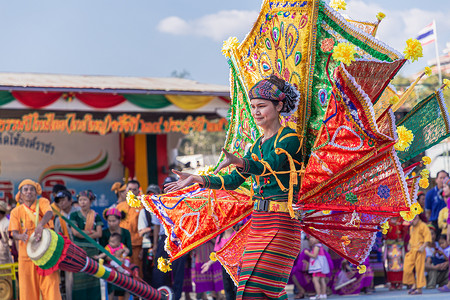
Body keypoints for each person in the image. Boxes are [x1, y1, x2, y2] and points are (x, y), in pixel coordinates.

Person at [165, 75, 303, 299]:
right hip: (259, 223)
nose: (256, 112)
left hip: (281, 223)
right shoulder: (257, 144)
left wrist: (240, 162)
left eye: (262, 106)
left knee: (254, 288)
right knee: (258, 290)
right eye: (254, 107)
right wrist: (196, 178)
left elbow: (270, 166)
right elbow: (232, 181)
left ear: (279, 106)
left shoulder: (289, 138)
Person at [8, 179, 61, 300]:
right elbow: (14, 233)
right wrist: (21, 236)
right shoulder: (16, 211)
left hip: (46, 254)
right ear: (21, 194)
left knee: (50, 286)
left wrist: (41, 225)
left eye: (31, 189)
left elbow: (49, 212)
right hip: (26, 256)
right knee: (28, 289)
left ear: (36, 192)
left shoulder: (42, 202)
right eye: (25, 189)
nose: (29, 192)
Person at [70, 190, 103, 300]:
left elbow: (99, 233)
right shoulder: (74, 215)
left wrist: (82, 232)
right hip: (78, 251)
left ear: (90, 201)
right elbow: (75, 233)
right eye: (80, 200)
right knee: (79, 278)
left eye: (85, 200)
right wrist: (90, 231)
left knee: (93, 278)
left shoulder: (96, 216)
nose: (82, 202)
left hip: (93, 251)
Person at [99, 207, 132, 300]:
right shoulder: (105, 233)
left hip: (124, 260)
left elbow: (130, 251)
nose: (111, 223)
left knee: (130, 275)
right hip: (110, 262)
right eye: (109, 221)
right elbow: (102, 252)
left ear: (119, 220)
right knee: (111, 277)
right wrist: (115, 258)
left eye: (114, 221)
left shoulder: (125, 232)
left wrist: (123, 254)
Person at [117, 179, 143, 278]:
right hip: (122, 247)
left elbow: (147, 229)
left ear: (138, 192)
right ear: (126, 191)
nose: (132, 192)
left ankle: (137, 294)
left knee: (137, 273)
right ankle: (122, 294)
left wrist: (143, 250)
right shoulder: (119, 207)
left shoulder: (143, 207)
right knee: (122, 273)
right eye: (130, 189)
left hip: (137, 246)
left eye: (134, 189)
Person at [201, 227, 237, 300]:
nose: (228, 226)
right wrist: (208, 263)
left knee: (236, 289)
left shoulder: (236, 235)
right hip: (225, 268)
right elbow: (216, 255)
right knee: (227, 289)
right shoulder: (219, 238)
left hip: (236, 268)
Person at [403, 214, 432, 295]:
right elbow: (411, 238)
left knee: (419, 269)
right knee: (407, 268)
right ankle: (413, 284)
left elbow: (427, 237)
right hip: (412, 250)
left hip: (420, 250)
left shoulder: (423, 226)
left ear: (417, 217)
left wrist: (423, 246)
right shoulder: (412, 227)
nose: (412, 222)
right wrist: (409, 245)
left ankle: (419, 288)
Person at [138, 184, 160, 285]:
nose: (151, 197)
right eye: (149, 194)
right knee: (147, 271)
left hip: (162, 244)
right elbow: (141, 231)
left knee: (161, 270)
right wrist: (153, 228)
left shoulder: (163, 209)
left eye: (154, 194)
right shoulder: (144, 211)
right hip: (147, 245)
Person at [383, 216, 407, 290]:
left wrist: (402, 239)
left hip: (399, 246)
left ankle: (399, 283)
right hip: (390, 246)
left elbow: (405, 231)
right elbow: (384, 233)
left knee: (400, 264)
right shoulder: (387, 220)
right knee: (391, 265)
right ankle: (392, 283)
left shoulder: (401, 219)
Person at [304, 236, 330, 300]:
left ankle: (318, 295)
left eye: (313, 238)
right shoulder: (320, 246)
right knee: (322, 280)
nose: (311, 239)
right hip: (321, 266)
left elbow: (314, 256)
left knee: (315, 280)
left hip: (317, 266)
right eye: (310, 238)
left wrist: (307, 253)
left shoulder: (316, 246)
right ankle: (323, 294)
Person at [425, 170, 448, 238]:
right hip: (435, 223)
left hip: (447, 222)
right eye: (441, 178)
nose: (443, 180)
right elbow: (428, 212)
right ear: (436, 180)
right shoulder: (430, 194)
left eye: (445, 178)